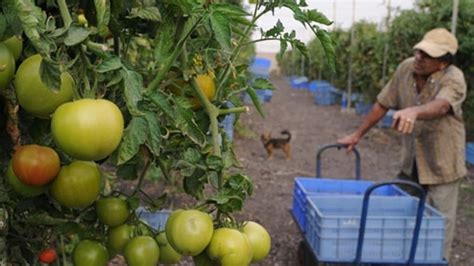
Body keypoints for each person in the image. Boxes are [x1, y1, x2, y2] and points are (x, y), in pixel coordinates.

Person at [337, 28, 466, 262]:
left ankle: (437, 261)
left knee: (440, 225)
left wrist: (415, 110)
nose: (419, 57)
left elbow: (442, 106)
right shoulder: (406, 68)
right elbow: (383, 103)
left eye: (427, 55)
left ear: (443, 62)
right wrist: (357, 135)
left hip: (442, 162)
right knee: (399, 213)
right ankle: (401, 257)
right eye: (419, 51)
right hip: (412, 159)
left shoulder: (454, 78)